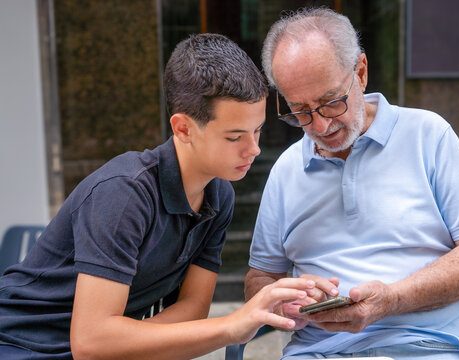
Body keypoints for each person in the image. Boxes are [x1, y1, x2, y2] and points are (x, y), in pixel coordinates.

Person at [0, 33, 318, 360]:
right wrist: (233, 325)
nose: (254, 149)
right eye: (234, 136)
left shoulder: (218, 196)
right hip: (20, 347)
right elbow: (91, 342)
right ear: (182, 129)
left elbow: (193, 308)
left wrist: (127, 341)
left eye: (257, 131)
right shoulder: (124, 194)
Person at [245, 8, 459, 360]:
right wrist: (288, 302)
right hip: (319, 353)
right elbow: (259, 279)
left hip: (430, 347)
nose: (321, 127)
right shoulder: (286, 169)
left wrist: (393, 299)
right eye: (300, 111)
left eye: (330, 103)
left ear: (361, 72)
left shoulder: (428, 136)